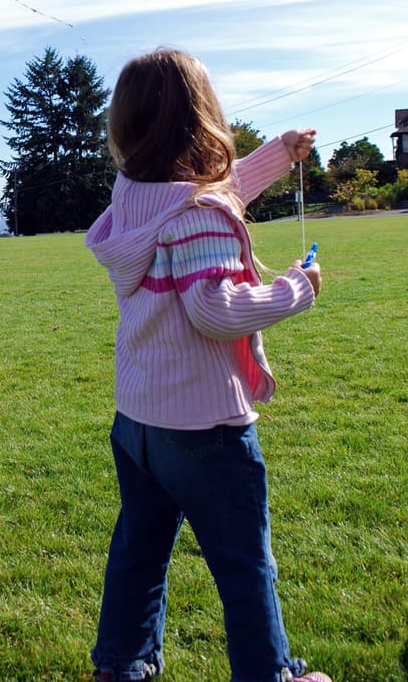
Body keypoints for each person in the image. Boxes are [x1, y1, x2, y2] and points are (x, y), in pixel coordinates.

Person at [85, 49, 331, 682]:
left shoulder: (136, 199)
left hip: (137, 420)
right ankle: (268, 673)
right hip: (204, 427)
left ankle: (122, 665)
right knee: (244, 562)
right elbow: (213, 310)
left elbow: (218, 191)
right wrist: (296, 288)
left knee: (138, 549)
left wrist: (280, 151)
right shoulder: (200, 217)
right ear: (203, 118)